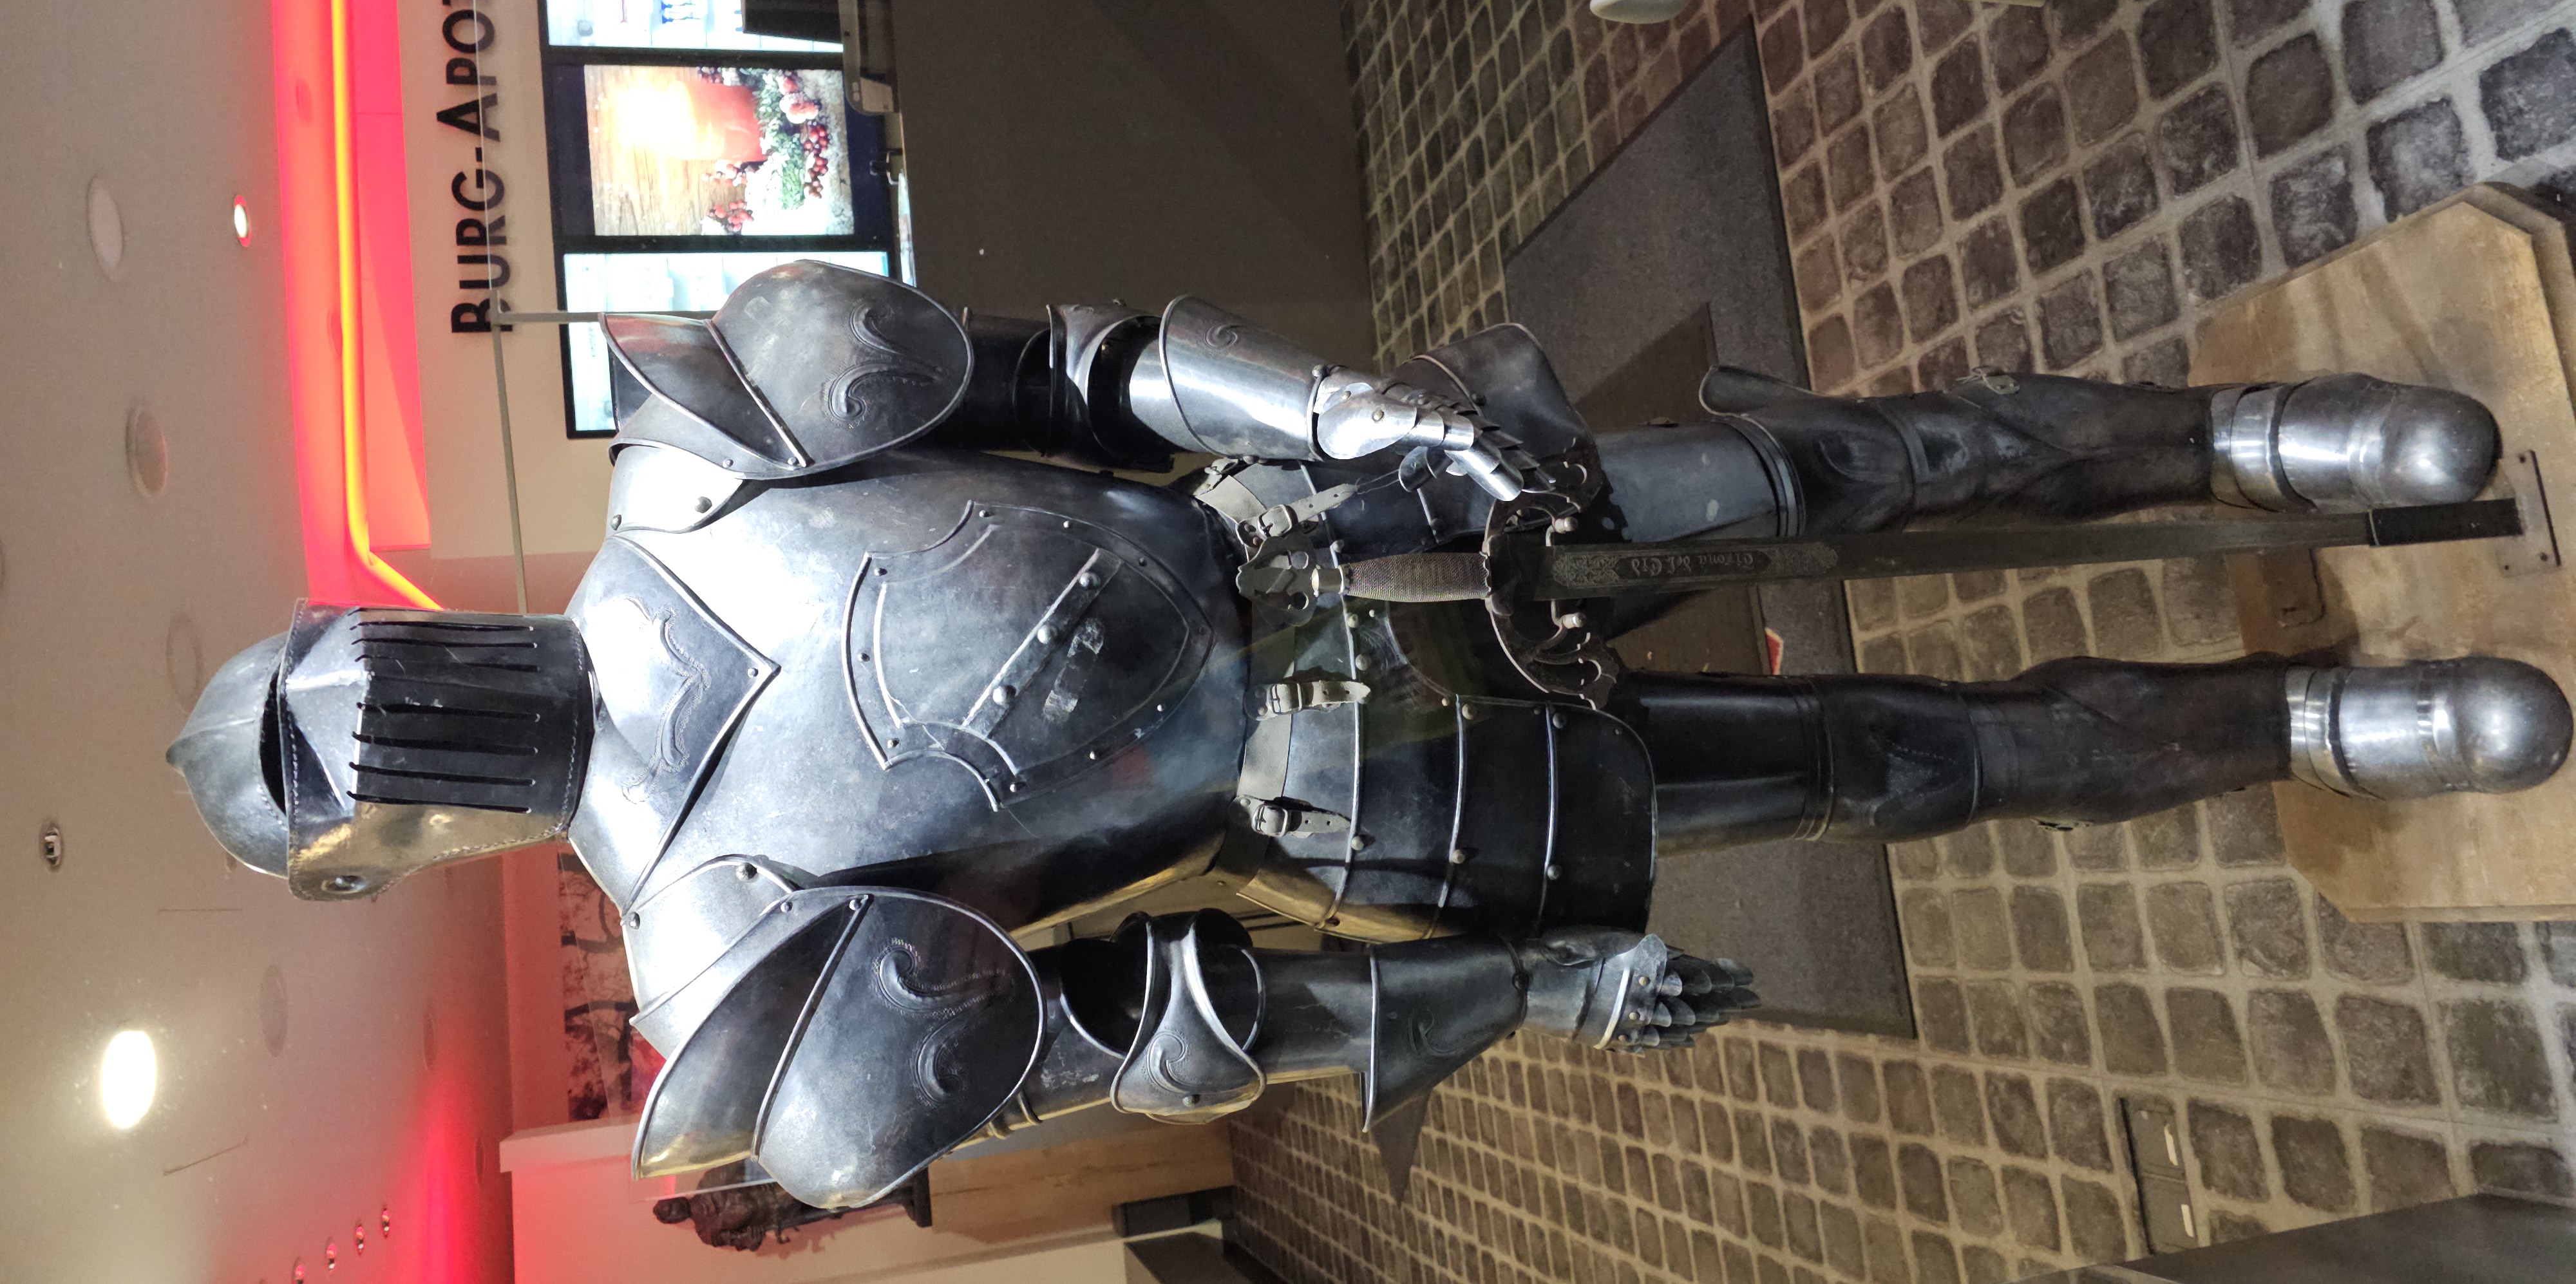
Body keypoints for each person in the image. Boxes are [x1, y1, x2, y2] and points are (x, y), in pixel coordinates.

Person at [169, 261, 2569, 1212]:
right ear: (388, 859)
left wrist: (1345, 404)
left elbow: (1083, 371)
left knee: (1840, 465)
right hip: (1362, 801)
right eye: (349, 769)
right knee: (1889, 760)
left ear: (375, 615)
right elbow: (1186, 1018)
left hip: (1338, 510)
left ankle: (2236, 439)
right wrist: (1545, 984)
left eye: (346, 673)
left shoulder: (715, 439)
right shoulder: (728, 981)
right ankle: (2307, 715)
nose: (391, 718)